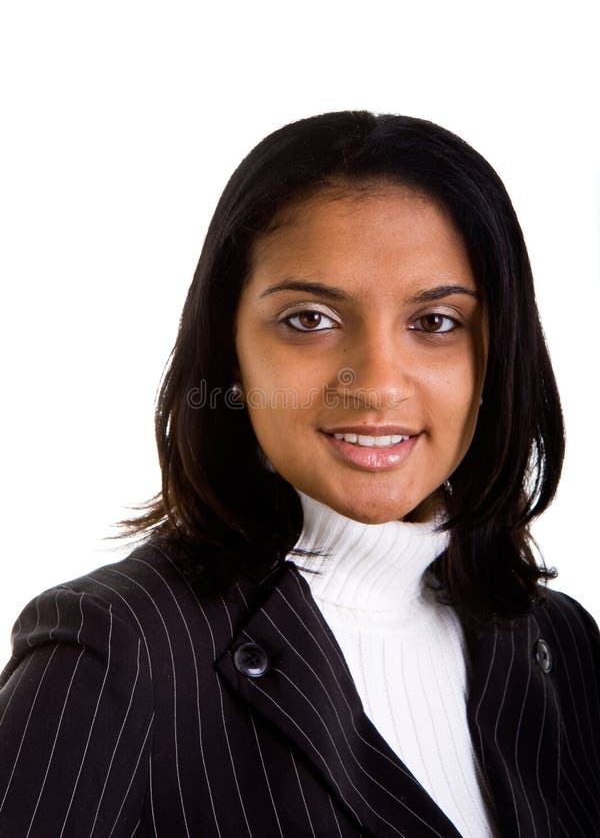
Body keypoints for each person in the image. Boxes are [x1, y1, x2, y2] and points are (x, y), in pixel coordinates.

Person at [0, 111, 598, 838]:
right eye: (310, 319)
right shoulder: (116, 653)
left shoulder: (560, 646)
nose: (377, 385)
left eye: (436, 322)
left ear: (497, 356)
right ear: (230, 350)